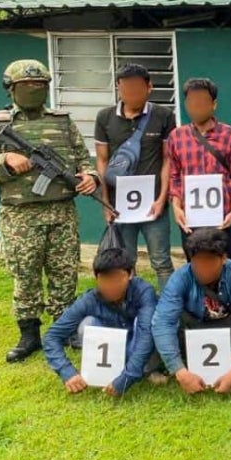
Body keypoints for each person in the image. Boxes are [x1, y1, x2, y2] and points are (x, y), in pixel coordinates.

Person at [0, 59, 100, 363]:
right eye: (27, 85)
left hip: (62, 213)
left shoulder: (62, 121)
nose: (34, 89)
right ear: (10, 88)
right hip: (20, 217)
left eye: (40, 85)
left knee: (64, 273)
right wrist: (5, 161)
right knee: (25, 276)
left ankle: (64, 328)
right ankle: (29, 335)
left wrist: (90, 176)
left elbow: (83, 158)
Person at [94, 63, 176, 290]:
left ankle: (168, 308)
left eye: (137, 88)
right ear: (118, 88)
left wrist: (162, 198)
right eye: (125, 88)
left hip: (154, 205)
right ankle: (129, 305)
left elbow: (168, 159)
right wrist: (105, 202)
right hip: (119, 206)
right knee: (124, 262)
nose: (131, 94)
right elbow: (102, 161)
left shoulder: (164, 116)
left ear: (149, 87)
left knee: (161, 261)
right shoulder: (105, 117)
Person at [151, 228, 231, 395]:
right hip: (193, 327)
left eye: (209, 261)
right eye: (197, 262)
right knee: (161, 315)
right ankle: (180, 362)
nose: (203, 268)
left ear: (223, 258)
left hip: (228, 327)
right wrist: (180, 372)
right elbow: (162, 323)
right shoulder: (180, 277)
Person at [43, 248, 164, 395]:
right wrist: (67, 372)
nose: (111, 285)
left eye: (117, 278)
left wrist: (127, 377)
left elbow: (146, 336)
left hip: (138, 345)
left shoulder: (144, 292)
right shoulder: (89, 299)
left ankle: (148, 369)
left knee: (152, 323)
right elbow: (52, 337)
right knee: (86, 324)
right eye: (105, 279)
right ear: (96, 278)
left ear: (130, 274)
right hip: (112, 351)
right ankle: (104, 369)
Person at [167, 78, 231, 263]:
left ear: (214, 104)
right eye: (191, 102)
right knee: (197, 267)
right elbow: (174, 176)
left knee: (230, 265)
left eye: (202, 101)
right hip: (191, 218)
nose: (197, 106)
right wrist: (176, 208)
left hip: (224, 218)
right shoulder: (176, 136)